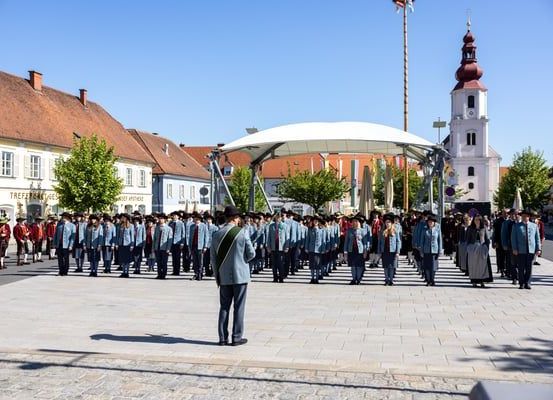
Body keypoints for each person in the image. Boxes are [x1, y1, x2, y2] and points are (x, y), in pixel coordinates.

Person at [211, 205, 255, 346]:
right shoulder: (242, 233)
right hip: (240, 275)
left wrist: (217, 274)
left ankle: (223, 338)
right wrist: (242, 261)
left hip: (223, 275)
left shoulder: (217, 234)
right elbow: (251, 253)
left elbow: (213, 258)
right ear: (236, 218)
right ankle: (236, 337)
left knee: (224, 307)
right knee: (239, 306)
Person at [511, 208, 541, 290]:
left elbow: (537, 238)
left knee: (529, 268)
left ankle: (527, 283)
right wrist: (514, 248)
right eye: (523, 216)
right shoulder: (516, 226)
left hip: (531, 250)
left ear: (529, 217)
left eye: (527, 216)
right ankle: (521, 283)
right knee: (521, 268)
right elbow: (513, 238)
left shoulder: (534, 226)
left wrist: (538, 249)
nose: (525, 217)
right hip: (520, 250)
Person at [466, 215, 493, 288]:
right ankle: (474, 281)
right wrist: (469, 248)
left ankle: (482, 281)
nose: (476, 221)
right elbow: (467, 240)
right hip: (473, 249)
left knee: (482, 265)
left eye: (478, 220)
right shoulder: (470, 228)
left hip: (482, 248)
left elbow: (487, 239)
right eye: (475, 220)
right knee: (473, 266)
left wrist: (486, 248)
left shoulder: (484, 228)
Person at [343, 215, 368, 285]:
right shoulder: (349, 231)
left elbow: (365, 243)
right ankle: (354, 279)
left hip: (360, 251)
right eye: (353, 221)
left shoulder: (363, 231)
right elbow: (346, 242)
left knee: (359, 266)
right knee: (353, 266)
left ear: (359, 223)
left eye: (356, 221)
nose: (354, 223)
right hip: (351, 250)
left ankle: (358, 278)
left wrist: (365, 251)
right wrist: (345, 252)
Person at [378, 214, 401, 286]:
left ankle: (391, 280)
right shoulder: (382, 231)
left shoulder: (395, 230)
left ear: (391, 223)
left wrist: (398, 251)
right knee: (385, 266)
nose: (387, 224)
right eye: (386, 222)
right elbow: (380, 242)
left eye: (389, 222)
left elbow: (398, 241)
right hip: (384, 251)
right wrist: (379, 251)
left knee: (392, 266)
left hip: (392, 251)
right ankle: (386, 279)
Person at [267, 213, 289, 283]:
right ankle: (275, 277)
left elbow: (287, 237)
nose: (278, 218)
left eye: (279, 217)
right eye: (277, 217)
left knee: (281, 263)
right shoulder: (271, 226)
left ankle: (281, 277)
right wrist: (268, 246)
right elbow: (269, 237)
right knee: (274, 264)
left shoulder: (285, 226)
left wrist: (286, 247)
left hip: (281, 248)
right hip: (273, 247)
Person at [421, 214, 442, 286]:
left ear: (434, 223)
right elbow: (422, 241)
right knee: (426, 267)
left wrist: (440, 251)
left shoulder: (437, 230)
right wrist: (421, 251)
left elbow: (439, 241)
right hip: (426, 250)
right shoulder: (424, 230)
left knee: (433, 267)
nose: (430, 223)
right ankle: (428, 280)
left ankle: (432, 279)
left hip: (434, 250)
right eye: (429, 222)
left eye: (432, 222)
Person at [153, 213, 173, 279]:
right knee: (158, 262)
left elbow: (169, 240)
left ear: (165, 220)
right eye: (159, 219)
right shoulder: (157, 228)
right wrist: (153, 247)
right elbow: (155, 238)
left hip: (164, 248)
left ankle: (164, 274)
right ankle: (159, 274)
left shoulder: (169, 228)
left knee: (164, 262)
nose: (160, 220)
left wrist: (168, 248)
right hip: (157, 247)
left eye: (162, 219)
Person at [117, 214, 135, 278]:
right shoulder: (120, 226)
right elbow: (118, 235)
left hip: (128, 244)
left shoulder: (131, 226)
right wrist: (117, 244)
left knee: (127, 260)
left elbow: (132, 236)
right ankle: (123, 271)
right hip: (121, 244)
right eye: (121, 218)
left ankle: (127, 272)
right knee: (122, 259)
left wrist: (132, 245)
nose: (122, 219)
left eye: (123, 218)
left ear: (126, 218)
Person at [492, 209, 508, 277]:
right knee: (500, 256)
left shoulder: (509, 221)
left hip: (508, 242)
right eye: (505, 213)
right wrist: (495, 242)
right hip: (499, 241)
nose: (506, 214)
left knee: (507, 257)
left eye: (507, 213)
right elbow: (495, 233)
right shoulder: (497, 221)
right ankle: (501, 269)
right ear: (502, 214)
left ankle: (506, 270)